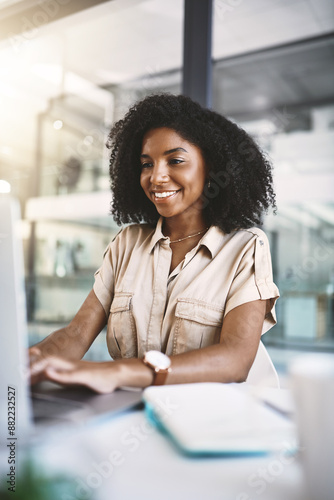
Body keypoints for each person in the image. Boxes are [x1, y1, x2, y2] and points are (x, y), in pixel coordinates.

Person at [29, 93, 279, 393]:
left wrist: (118, 372)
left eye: (175, 160)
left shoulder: (245, 248)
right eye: (147, 164)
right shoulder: (127, 243)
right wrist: (25, 366)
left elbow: (235, 360)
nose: (156, 177)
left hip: (220, 425)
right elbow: (77, 333)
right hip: (139, 416)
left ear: (210, 168)